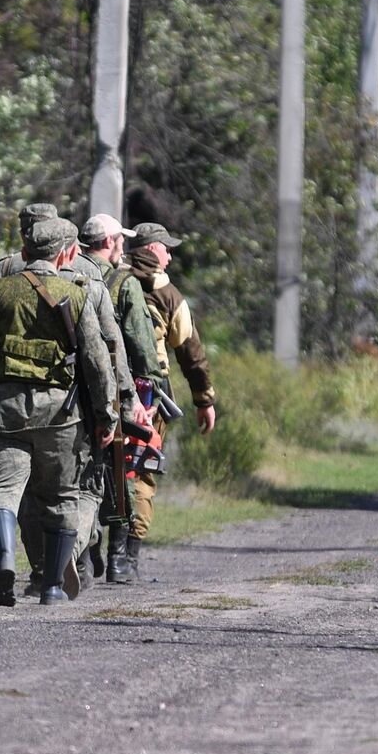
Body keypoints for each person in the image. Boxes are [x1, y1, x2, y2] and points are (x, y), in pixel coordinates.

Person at [0, 217, 117, 606]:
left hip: (2, 414)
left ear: (24, 251)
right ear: (66, 254)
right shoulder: (77, 293)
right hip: (61, 418)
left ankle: (5, 564)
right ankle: (51, 587)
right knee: (62, 497)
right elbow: (98, 362)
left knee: (1, 491)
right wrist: (106, 417)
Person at [0, 204, 136, 595]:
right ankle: (61, 567)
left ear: (25, 237)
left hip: (5, 403)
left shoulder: (1, 275)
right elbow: (106, 351)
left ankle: (36, 570)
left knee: (20, 492)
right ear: (65, 246)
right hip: (72, 405)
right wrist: (116, 408)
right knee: (79, 490)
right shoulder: (88, 278)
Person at [125, 222, 216, 578]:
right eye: (166, 247)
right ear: (151, 250)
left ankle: (91, 553)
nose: (171, 254)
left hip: (103, 388)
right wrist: (203, 399)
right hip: (149, 394)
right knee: (142, 468)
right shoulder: (169, 294)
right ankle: (127, 556)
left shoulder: (110, 280)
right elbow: (190, 352)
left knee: (100, 467)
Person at [80, 213, 166, 583]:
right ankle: (118, 561)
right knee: (121, 469)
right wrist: (153, 387)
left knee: (79, 474)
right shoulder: (124, 283)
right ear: (112, 242)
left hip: (70, 391)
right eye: (119, 242)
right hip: (116, 389)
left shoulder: (69, 271)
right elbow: (141, 345)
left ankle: (83, 558)